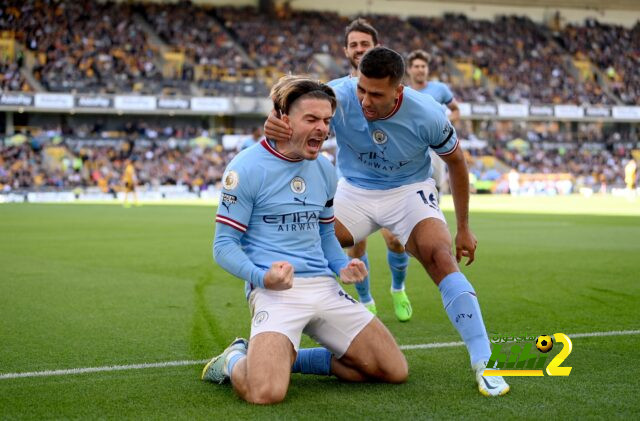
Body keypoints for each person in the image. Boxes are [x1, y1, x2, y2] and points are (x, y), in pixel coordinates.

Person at [265, 47, 510, 397]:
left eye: (376, 93)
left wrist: (464, 228)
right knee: (304, 244)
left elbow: (457, 163)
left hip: (409, 191)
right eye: (362, 89)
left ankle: (485, 362)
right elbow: (290, 97)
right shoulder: (340, 94)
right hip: (354, 190)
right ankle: (273, 346)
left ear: (399, 89)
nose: (364, 99)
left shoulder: (426, 113)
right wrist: (274, 118)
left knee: (440, 256)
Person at [203, 75, 408, 405]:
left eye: (326, 121)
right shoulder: (246, 167)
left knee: (391, 369)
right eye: (311, 119)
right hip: (275, 291)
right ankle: (233, 359)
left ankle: (285, 360)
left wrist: (342, 265)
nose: (322, 129)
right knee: (265, 392)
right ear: (283, 120)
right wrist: (262, 277)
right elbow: (223, 245)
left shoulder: (325, 169)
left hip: (324, 287)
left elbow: (325, 232)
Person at [328, 18, 413, 322]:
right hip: (351, 183)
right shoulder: (337, 92)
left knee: (396, 241)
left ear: (376, 47)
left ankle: (398, 288)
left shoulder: (395, 89)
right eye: (353, 44)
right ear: (345, 50)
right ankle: (365, 300)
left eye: (365, 43)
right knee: (355, 243)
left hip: (391, 184)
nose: (359, 49)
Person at [406, 49, 460, 122]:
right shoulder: (404, 94)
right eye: (416, 66)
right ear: (408, 69)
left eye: (423, 66)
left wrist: (443, 123)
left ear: (428, 69)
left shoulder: (440, 88)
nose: (421, 70)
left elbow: (456, 110)